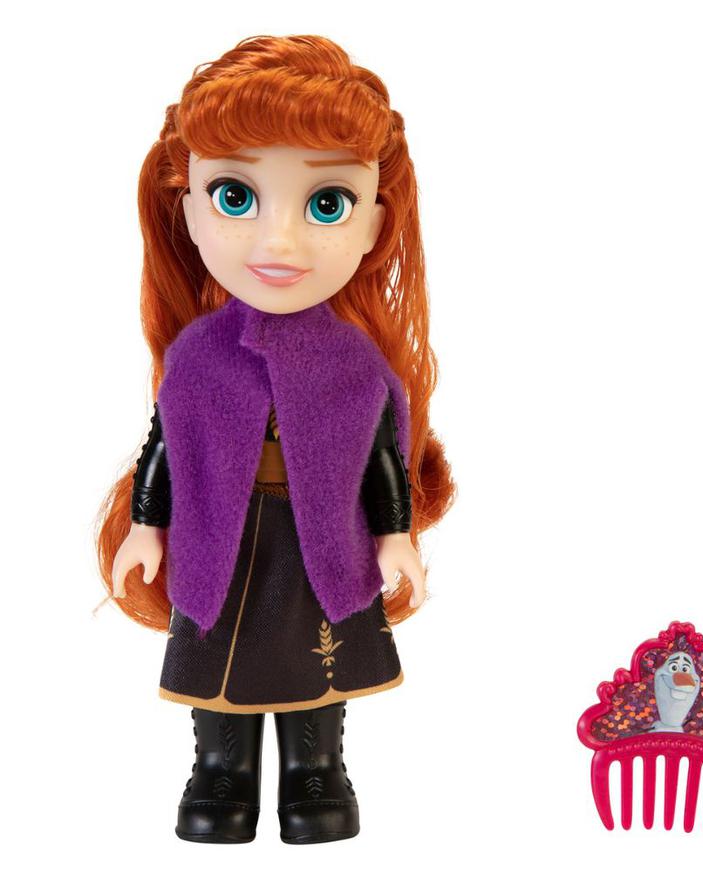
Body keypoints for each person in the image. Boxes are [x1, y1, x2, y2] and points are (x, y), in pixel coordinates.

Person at [95, 34, 454, 845]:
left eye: (326, 204)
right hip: (218, 535)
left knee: (319, 653)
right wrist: (146, 525)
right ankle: (220, 771)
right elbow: (166, 445)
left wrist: (395, 535)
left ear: (374, 224)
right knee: (218, 644)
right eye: (235, 196)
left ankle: (314, 770)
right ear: (189, 210)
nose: (279, 243)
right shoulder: (197, 356)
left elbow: (380, 459)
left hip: (319, 536)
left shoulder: (356, 364)